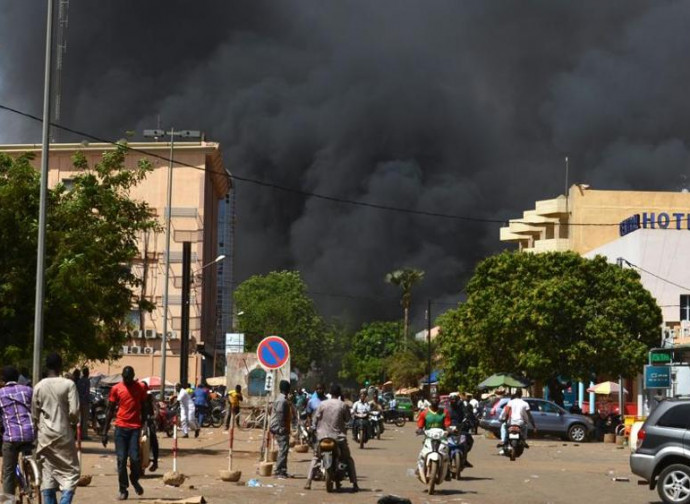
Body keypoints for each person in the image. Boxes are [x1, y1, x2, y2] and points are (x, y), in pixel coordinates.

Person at [32, 353, 80, 504]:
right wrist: (71, 422)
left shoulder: (39, 386)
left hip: (45, 436)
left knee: (48, 474)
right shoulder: (68, 384)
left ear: (47, 367)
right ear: (60, 366)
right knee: (71, 472)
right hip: (63, 434)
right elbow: (74, 412)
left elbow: (34, 414)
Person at [102, 366, 147, 500]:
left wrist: (145, 423)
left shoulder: (140, 388)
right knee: (121, 460)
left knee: (135, 458)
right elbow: (110, 410)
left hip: (134, 428)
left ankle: (134, 479)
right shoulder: (116, 388)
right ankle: (123, 489)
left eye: (129, 378)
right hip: (121, 428)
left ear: (133, 376)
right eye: (125, 378)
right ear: (122, 376)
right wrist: (104, 431)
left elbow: (144, 406)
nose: (127, 380)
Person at [304, 384, 358, 492]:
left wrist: (313, 428)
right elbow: (348, 420)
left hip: (322, 437)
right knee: (348, 459)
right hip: (338, 438)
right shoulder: (342, 405)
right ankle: (354, 483)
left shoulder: (322, 404)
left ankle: (308, 481)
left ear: (330, 393)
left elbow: (314, 420)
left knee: (315, 458)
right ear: (339, 394)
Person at [0, 365, 34, 497]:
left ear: (3, 379)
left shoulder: (1, 393)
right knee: (27, 449)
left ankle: (8, 501)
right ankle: (31, 476)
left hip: (11, 437)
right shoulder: (28, 390)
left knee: (8, 473)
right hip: (30, 434)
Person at [269, 380, 292, 479]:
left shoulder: (283, 399)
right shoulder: (282, 400)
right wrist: (282, 428)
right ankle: (279, 471)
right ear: (288, 389)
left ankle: (282, 470)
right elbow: (280, 415)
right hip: (279, 427)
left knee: (284, 449)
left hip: (280, 426)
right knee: (283, 449)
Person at [447, 393, 473, 467]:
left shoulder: (462, 407)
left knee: (469, 440)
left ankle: (464, 457)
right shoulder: (446, 409)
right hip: (448, 429)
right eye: (452, 400)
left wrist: (467, 421)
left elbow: (467, 415)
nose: (454, 401)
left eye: (455, 399)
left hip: (460, 428)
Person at [141, 382, 159, 472]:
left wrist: (155, 415)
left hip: (149, 421)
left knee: (153, 439)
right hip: (139, 421)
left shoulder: (150, 396)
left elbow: (156, 408)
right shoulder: (137, 395)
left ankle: (155, 462)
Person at [76, 367, 90, 440]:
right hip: (85, 402)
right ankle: (84, 435)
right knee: (85, 419)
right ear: (87, 373)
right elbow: (87, 392)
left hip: (79, 402)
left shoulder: (79, 381)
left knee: (80, 419)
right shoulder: (87, 381)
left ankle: (78, 434)